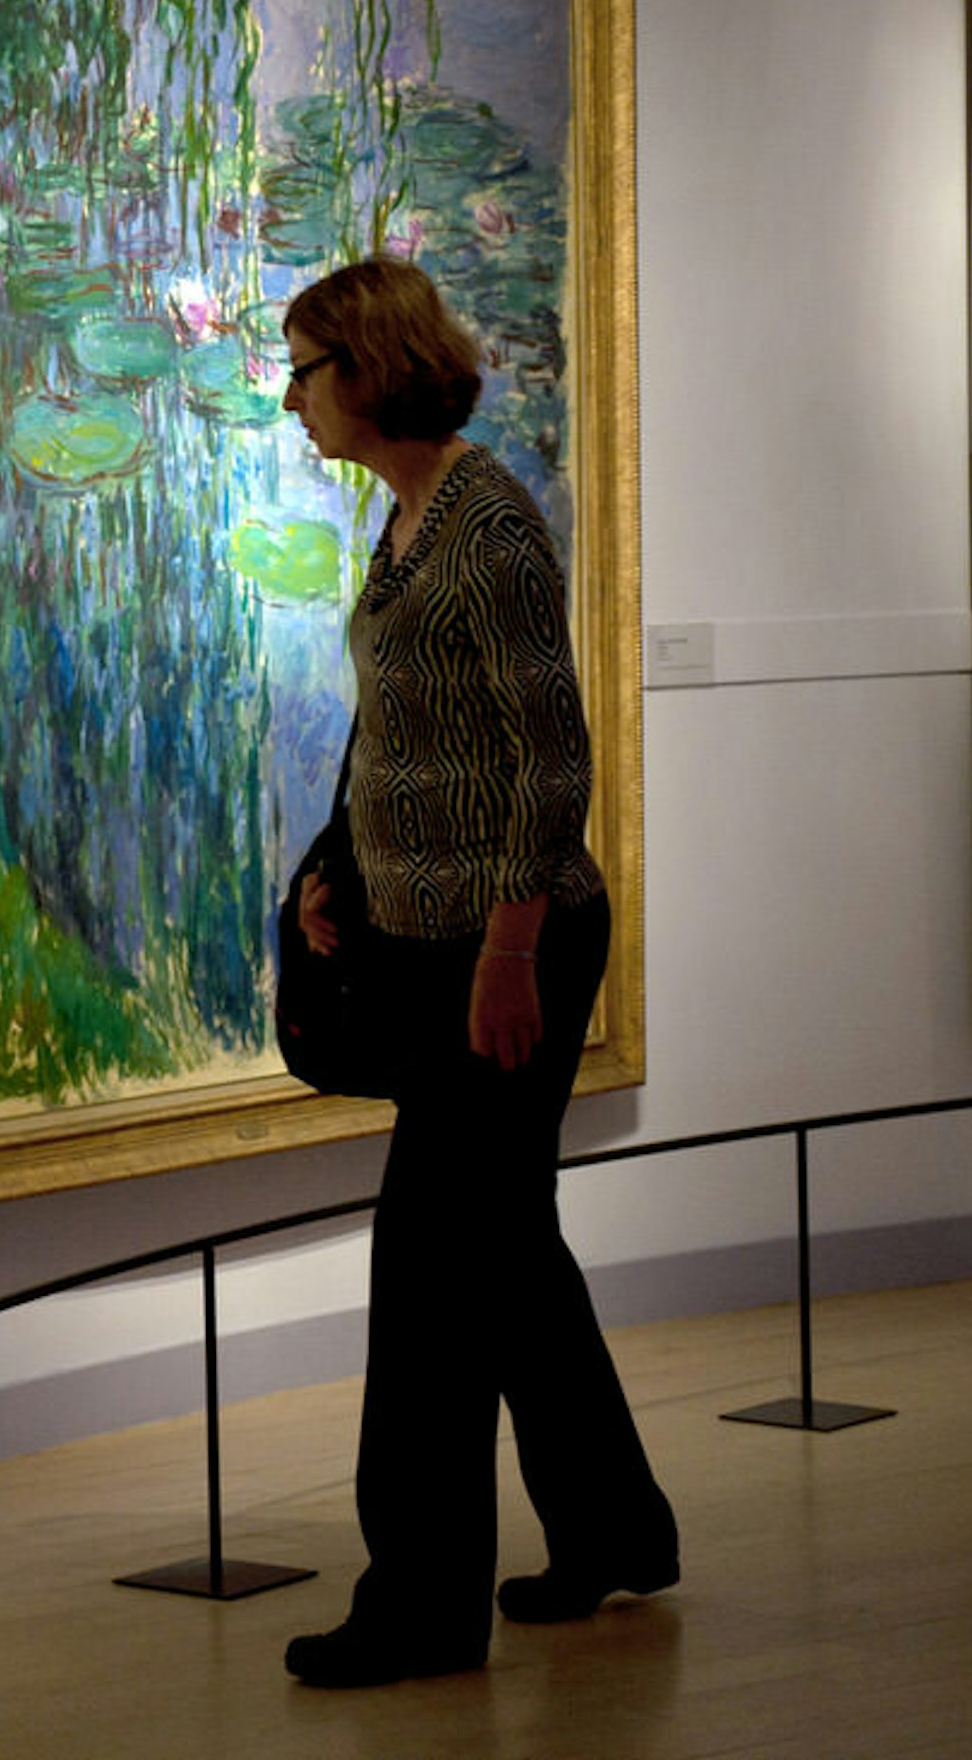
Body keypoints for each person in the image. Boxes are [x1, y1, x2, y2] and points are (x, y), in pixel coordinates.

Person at [273, 256, 678, 1689]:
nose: (293, 395)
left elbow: (551, 757)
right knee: (503, 1253)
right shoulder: (410, 524)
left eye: (306, 367)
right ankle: (617, 1528)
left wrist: (505, 955)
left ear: (369, 369)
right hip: (436, 936)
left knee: (433, 1271)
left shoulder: (488, 526)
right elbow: (416, 742)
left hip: (510, 951)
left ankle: (422, 1607)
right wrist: (338, 879)